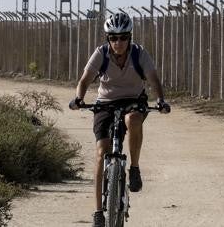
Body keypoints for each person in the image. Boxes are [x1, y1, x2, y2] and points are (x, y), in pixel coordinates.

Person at [69, 12, 169, 227]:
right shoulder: (101, 54)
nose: (118, 42)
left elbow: (153, 79)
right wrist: (79, 98)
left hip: (133, 100)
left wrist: (160, 100)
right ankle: (98, 213)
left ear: (130, 37)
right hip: (105, 103)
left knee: (133, 119)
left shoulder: (139, 54)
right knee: (100, 152)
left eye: (123, 37)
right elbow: (85, 80)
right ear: (108, 39)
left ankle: (134, 168)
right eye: (113, 38)